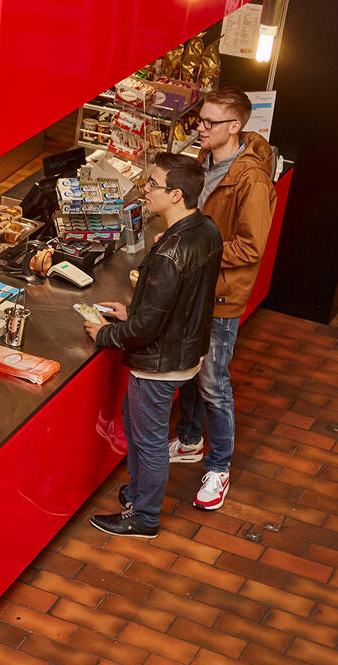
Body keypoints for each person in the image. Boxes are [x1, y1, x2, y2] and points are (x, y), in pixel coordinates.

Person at [84, 152, 222, 538]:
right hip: (185, 353)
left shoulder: (169, 251)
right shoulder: (206, 231)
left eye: (153, 184)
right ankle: (137, 494)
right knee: (139, 429)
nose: (145, 190)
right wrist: (132, 311)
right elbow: (181, 304)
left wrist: (104, 334)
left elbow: (145, 329)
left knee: (148, 442)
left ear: (176, 194)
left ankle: (143, 517)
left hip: (159, 364)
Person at [168, 87, 277, 511]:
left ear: (235, 127)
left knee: (214, 383)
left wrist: (190, 254)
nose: (201, 127)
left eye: (210, 122)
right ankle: (191, 441)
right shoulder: (205, 161)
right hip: (195, 289)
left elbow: (251, 247)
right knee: (192, 370)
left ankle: (218, 467)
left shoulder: (249, 177)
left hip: (220, 297)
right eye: (200, 119)